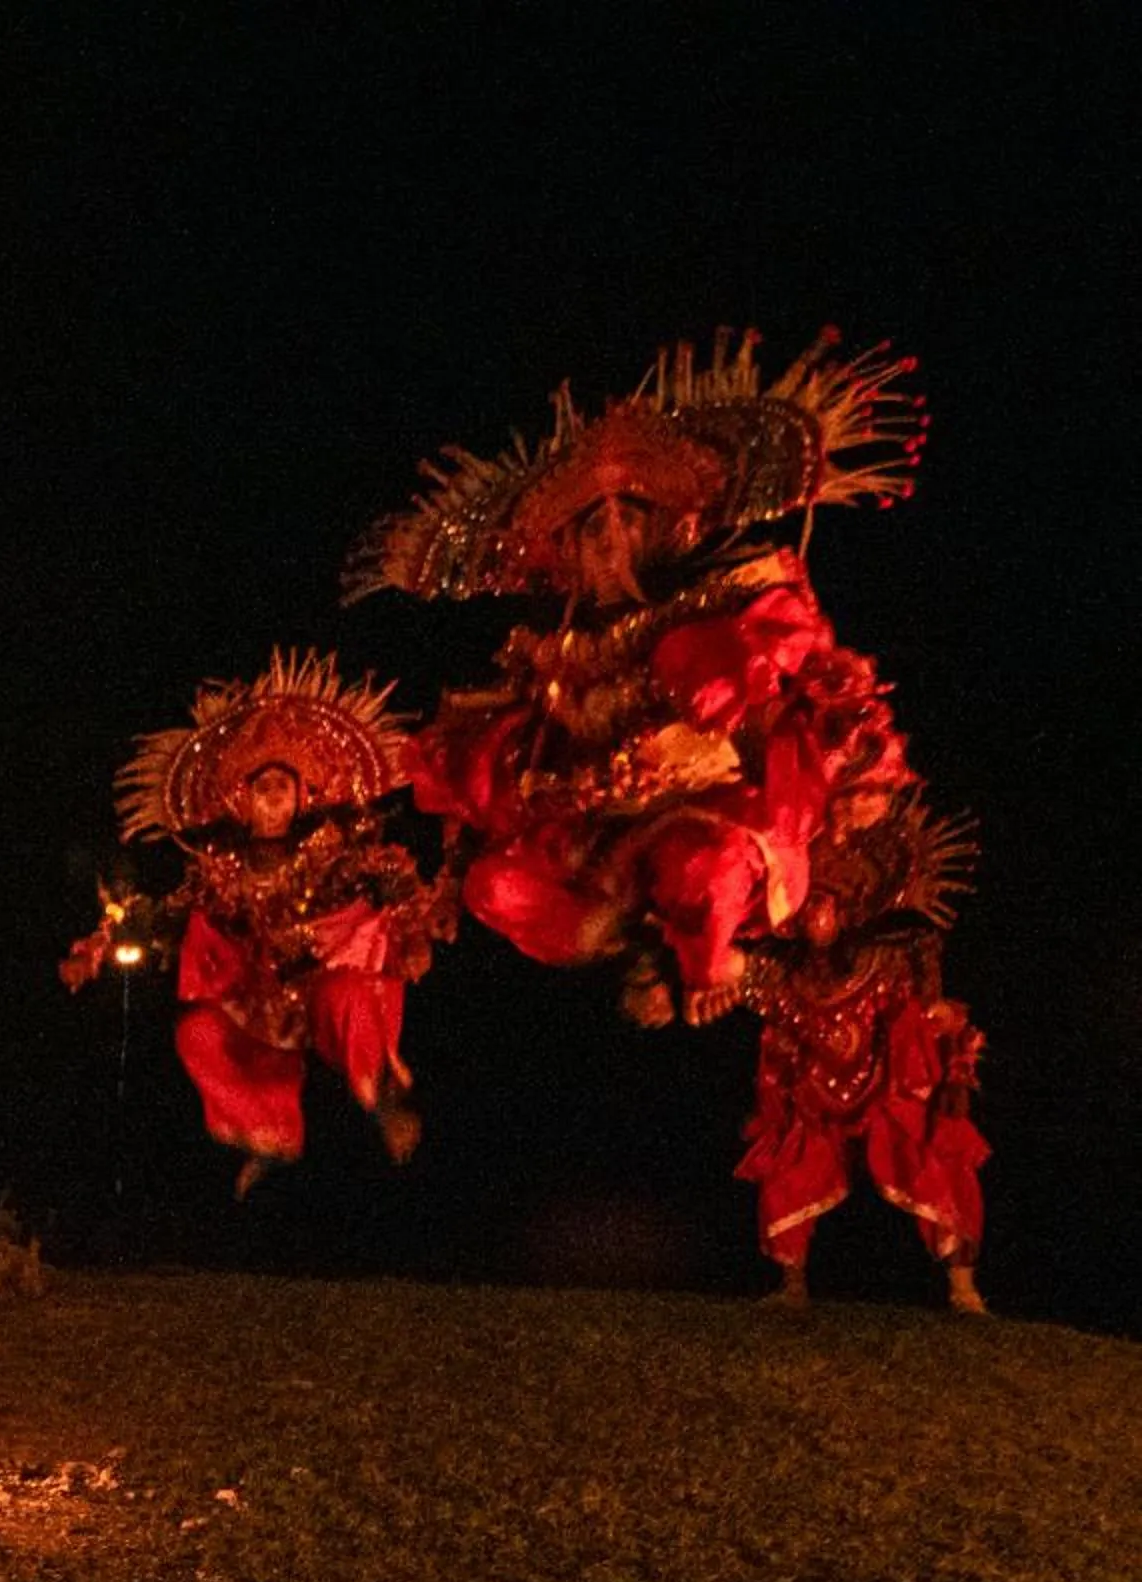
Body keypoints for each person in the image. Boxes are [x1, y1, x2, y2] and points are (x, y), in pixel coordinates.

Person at [350, 330, 930, 1027]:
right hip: (604, 848)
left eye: (629, 520)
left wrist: (848, 772)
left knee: (700, 868)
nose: (611, 542)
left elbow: (818, 686)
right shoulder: (556, 649)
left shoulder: (734, 599)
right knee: (495, 887)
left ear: (672, 525)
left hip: (718, 820)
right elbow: (496, 763)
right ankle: (640, 942)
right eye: (592, 531)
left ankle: (706, 955)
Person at [69, 652, 439, 1197]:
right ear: (241, 800)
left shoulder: (331, 849)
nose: (271, 796)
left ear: (302, 794)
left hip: (322, 983)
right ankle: (268, 1135)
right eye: (260, 785)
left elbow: (395, 880)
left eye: (282, 786)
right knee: (197, 1031)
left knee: (349, 996)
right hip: (261, 1002)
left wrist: (413, 929)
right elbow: (163, 917)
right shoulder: (222, 867)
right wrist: (100, 945)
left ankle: (382, 1099)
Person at [734, 800, 988, 1313]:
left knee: (933, 1159)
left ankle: (963, 1289)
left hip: (883, 1081)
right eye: (806, 904)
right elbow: (734, 977)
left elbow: (924, 946)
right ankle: (791, 1287)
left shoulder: (885, 959)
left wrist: (935, 1003)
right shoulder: (785, 974)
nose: (815, 915)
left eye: (825, 903)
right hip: (813, 1087)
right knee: (789, 1171)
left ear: (849, 907)